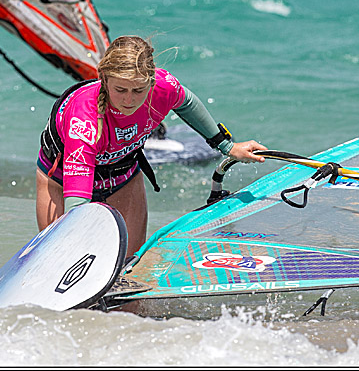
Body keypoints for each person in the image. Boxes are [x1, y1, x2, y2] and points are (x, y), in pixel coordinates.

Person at [36, 35, 268, 257]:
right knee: (62, 254)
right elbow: (78, 203)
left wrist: (228, 147)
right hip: (60, 179)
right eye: (120, 90)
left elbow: (187, 102)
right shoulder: (84, 121)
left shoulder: (162, 87)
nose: (129, 100)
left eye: (138, 90)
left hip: (121, 174)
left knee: (129, 269)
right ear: (104, 79)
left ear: (151, 81)